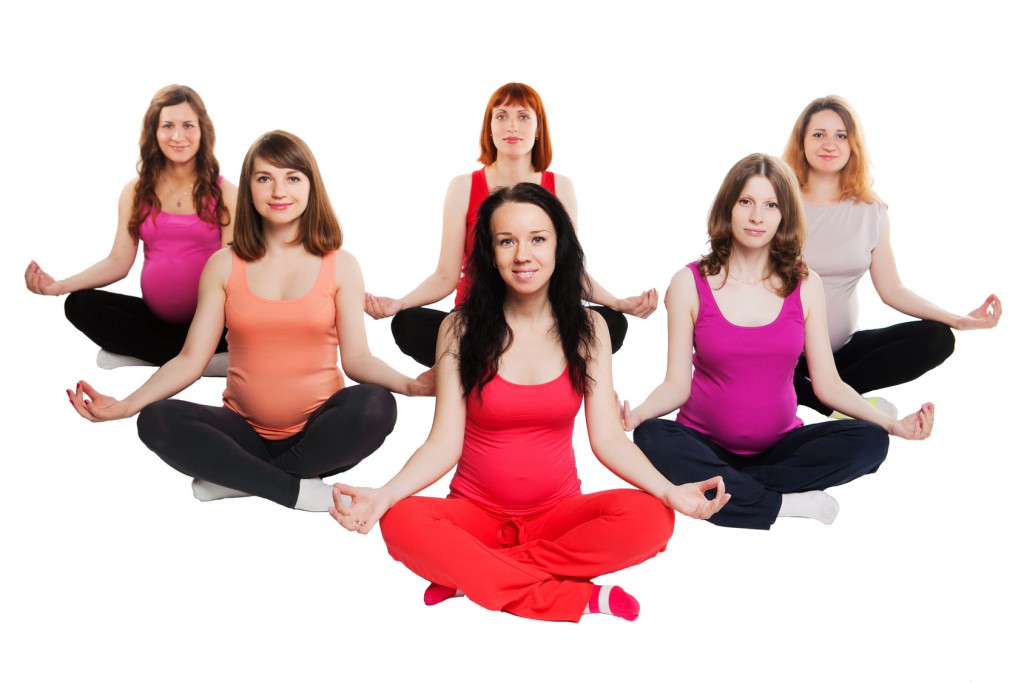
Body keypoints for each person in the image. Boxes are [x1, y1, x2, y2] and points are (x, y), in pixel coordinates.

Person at [331, 183, 728, 623]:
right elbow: (443, 445)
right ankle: (576, 598)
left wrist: (670, 491)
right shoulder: (459, 330)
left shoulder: (590, 330)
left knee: (654, 518)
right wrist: (385, 494)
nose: (523, 255)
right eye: (507, 241)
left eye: (538, 239)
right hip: (474, 516)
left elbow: (610, 440)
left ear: (559, 246)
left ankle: (477, 576)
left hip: (558, 518)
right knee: (401, 520)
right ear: (490, 253)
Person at [67, 131, 433, 511]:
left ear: (311, 186)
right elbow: (191, 359)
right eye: (264, 178)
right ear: (250, 189)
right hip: (240, 433)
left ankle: (243, 480)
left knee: (376, 404)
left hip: (319, 435)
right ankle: (292, 488)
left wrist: (409, 385)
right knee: (156, 419)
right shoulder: (223, 265)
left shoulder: (341, 265)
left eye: (292, 178)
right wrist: (127, 405)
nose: (279, 191)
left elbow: (357, 360)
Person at [623, 154, 934, 531]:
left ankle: (732, 491)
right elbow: (676, 385)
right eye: (746, 202)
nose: (757, 216)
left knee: (871, 442)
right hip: (703, 444)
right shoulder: (689, 282)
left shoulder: (806, 284)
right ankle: (783, 503)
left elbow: (828, 384)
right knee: (651, 436)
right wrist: (637, 414)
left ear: (785, 215)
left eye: (771, 205)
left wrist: (892, 424)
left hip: (782, 449)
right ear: (728, 207)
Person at [364, 82, 657, 366]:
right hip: (480, 319)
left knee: (611, 324)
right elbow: (445, 275)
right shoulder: (463, 187)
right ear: (489, 128)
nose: (512, 126)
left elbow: (569, 267)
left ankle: (505, 363)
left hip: (543, 320)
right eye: (502, 116)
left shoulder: (561, 187)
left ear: (538, 128)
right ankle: (515, 361)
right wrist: (400, 303)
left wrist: (617, 303)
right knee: (409, 323)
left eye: (523, 117)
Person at [781, 95, 1001, 417]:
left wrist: (956, 319)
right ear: (801, 142)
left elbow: (892, 289)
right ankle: (832, 401)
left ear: (853, 145)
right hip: (781, 355)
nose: (829, 144)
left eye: (840, 135)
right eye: (818, 134)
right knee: (739, 357)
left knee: (938, 338)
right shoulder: (777, 203)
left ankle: (824, 396)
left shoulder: (871, 210)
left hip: (841, 354)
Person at [26, 84, 238, 374]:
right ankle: (192, 359)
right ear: (154, 131)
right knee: (78, 304)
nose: (178, 136)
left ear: (203, 130)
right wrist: (60, 286)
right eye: (168, 126)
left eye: (188, 125)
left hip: (212, 320)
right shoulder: (135, 192)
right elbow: (118, 262)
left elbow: (232, 273)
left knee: (247, 319)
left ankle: (156, 354)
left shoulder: (226, 193)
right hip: (155, 320)